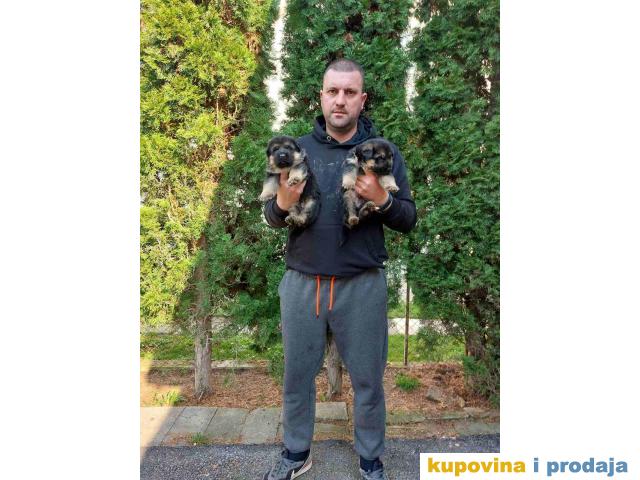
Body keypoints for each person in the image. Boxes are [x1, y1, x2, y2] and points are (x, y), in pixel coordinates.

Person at [262, 59, 417, 480]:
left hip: (361, 285)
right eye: (333, 91)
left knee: (368, 382)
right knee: (297, 378)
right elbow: (271, 217)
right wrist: (282, 204)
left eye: (350, 92)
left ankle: (370, 459)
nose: (340, 100)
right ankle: (296, 453)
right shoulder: (295, 150)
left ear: (362, 100)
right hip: (303, 284)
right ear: (321, 97)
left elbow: (408, 218)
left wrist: (381, 199)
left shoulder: (382, 152)